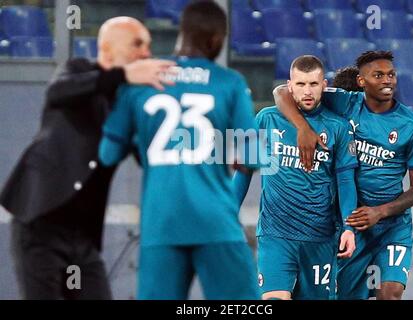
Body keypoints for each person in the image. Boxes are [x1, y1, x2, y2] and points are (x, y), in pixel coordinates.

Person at [0, 16, 175, 300]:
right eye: (137, 44)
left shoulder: (127, 101)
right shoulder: (77, 71)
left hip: (82, 239)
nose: (146, 53)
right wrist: (123, 76)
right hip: (41, 225)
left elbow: (148, 155)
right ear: (107, 48)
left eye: (148, 46)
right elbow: (59, 91)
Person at [99, 1, 259, 300]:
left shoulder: (142, 81)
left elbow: (108, 154)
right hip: (215, 221)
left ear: (181, 33)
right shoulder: (229, 82)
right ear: (216, 40)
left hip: (161, 223)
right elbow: (252, 156)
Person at [274, 51, 413, 300]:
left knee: (390, 292)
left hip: (391, 225)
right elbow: (282, 92)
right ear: (361, 82)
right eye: (377, 75)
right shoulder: (345, 104)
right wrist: (302, 128)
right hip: (351, 221)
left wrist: (380, 212)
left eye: (391, 75)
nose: (386, 80)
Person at [234, 55, 357, 300]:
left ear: (324, 85)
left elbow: (345, 182)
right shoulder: (266, 119)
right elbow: (244, 172)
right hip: (275, 234)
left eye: (313, 84)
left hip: (320, 237)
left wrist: (349, 227)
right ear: (290, 86)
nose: (307, 91)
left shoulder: (338, 128)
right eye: (300, 84)